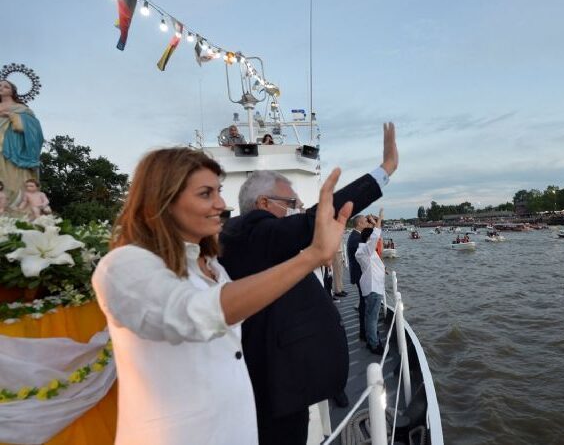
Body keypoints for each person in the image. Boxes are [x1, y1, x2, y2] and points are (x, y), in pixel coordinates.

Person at [91, 147, 352, 445]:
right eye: (205, 194)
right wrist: (312, 256)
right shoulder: (124, 265)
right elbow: (193, 314)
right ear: (162, 198)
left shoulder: (212, 266)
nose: (221, 204)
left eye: (219, 192)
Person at [219, 122, 398, 445]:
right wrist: (384, 171)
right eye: (291, 204)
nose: (298, 211)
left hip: (282, 382)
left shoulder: (253, 238)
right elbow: (315, 219)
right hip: (278, 389)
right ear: (263, 204)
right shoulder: (255, 231)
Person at [0, 80, 44, 205]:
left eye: (6, 86)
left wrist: (11, 115)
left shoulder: (22, 109)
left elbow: (34, 130)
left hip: (14, 148)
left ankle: (16, 207)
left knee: (13, 180)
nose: (2, 88)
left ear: (12, 91)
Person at [355, 209, 386, 355]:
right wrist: (379, 220)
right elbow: (375, 236)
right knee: (372, 318)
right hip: (374, 288)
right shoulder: (365, 251)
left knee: (369, 317)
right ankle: (374, 345)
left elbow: (374, 264)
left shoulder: (365, 252)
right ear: (369, 241)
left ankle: (370, 340)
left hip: (371, 287)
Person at [347, 213, 371, 342]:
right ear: (360, 224)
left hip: (359, 274)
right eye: (365, 222)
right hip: (360, 275)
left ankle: (364, 330)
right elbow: (365, 255)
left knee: (364, 302)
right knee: (364, 303)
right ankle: (363, 332)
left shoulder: (356, 236)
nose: (367, 224)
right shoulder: (356, 239)